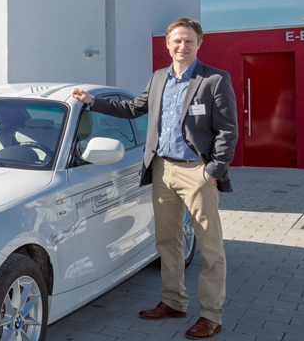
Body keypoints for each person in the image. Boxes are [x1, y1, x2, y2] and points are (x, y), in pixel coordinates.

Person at [71, 18, 237, 339]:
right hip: (161, 169)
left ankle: (211, 315)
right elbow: (134, 108)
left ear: (199, 44)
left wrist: (214, 170)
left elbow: (227, 131)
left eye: (188, 41)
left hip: (196, 171)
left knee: (209, 245)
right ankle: (173, 301)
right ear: (167, 44)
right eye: (176, 41)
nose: (182, 46)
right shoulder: (159, 77)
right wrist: (94, 102)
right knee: (167, 240)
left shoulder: (214, 80)